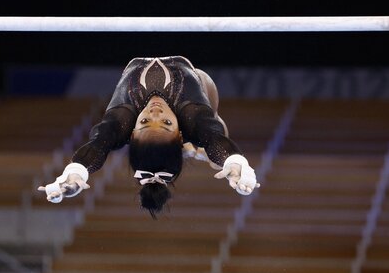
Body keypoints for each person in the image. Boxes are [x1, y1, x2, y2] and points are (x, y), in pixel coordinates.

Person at [38, 56, 260, 218]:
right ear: (180, 133)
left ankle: (193, 151)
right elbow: (215, 138)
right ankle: (199, 151)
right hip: (200, 88)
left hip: (172, 131)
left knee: (207, 141)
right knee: (210, 132)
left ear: (131, 133)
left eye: (144, 122)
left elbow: (98, 145)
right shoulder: (190, 115)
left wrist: (75, 173)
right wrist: (236, 162)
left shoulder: (121, 120)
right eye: (166, 123)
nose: (155, 112)